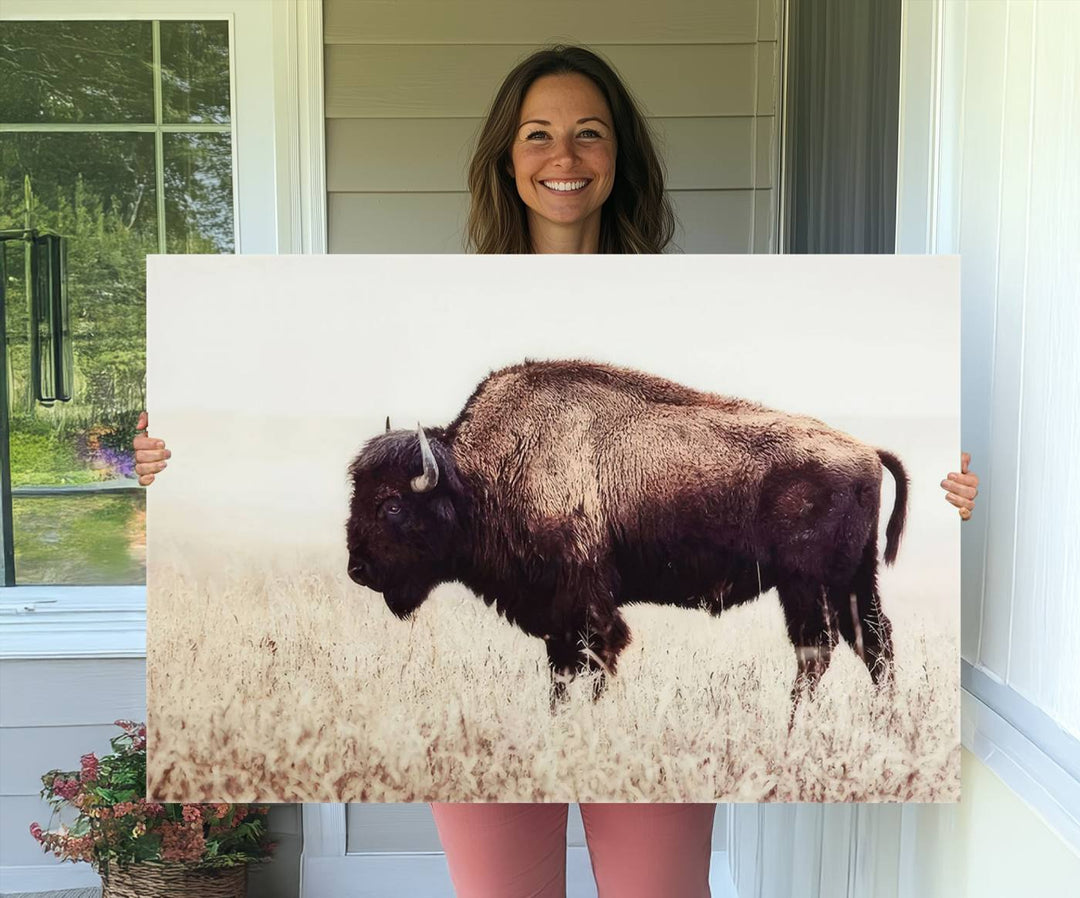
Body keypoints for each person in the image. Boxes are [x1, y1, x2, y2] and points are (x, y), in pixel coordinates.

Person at [134, 45, 979, 898]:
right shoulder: (438, 308)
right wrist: (172, 469)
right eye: (538, 135)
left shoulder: (692, 303)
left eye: (589, 134)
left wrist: (949, 497)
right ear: (507, 158)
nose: (563, 157)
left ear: (619, 159)